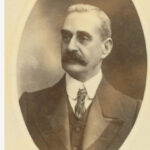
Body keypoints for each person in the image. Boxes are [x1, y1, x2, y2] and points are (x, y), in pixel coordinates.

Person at [19, 4, 141, 150]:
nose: (70, 47)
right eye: (66, 36)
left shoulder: (133, 112)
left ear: (106, 48)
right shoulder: (29, 106)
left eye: (83, 38)